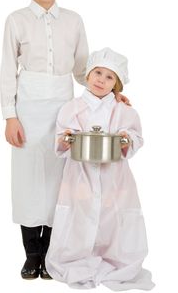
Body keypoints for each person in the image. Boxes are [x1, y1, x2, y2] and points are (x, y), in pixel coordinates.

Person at [0, 0, 89, 280]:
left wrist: (114, 91)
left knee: (59, 180)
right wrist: (10, 116)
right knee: (27, 180)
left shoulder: (74, 21)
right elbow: (8, 70)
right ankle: (30, 255)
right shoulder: (16, 20)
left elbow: (82, 70)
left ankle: (50, 255)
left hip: (63, 107)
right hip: (28, 108)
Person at [46, 47, 155, 290]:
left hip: (114, 175)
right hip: (79, 174)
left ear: (117, 84)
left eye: (109, 77)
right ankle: (77, 256)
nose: (101, 80)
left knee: (112, 217)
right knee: (80, 214)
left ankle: (113, 257)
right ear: (88, 74)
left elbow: (137, 137)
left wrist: (127, 138)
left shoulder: (124, 110)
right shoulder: (71, 108)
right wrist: (66, 138)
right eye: (98, 72)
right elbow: (61, 140)